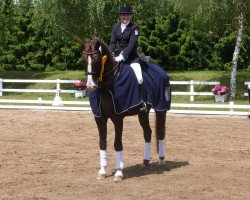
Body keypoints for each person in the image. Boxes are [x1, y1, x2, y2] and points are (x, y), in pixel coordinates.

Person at [109, 6, 147, 113]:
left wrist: (123, 55)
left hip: (131, 58)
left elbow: (132, 44)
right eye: (123, 15)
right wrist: (109, 52)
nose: (125, 17)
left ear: (129, 16)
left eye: (127, 15)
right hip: (117, 57)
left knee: (139, 77)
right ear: (120, 16)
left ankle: (142, 102)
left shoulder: (134, 28)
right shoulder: (116, 27)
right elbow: (112, 42)